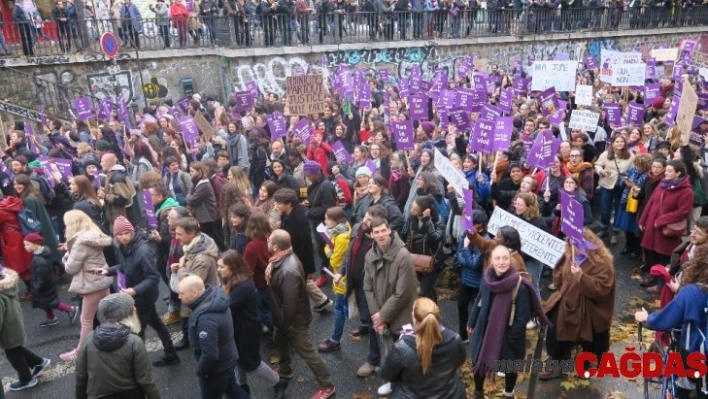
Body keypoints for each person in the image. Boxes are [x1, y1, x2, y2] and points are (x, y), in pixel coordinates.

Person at [96, 216, 180, 367]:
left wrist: (134, 290)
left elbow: (153, 277)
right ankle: (170, 353)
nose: (123, 237)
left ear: (132, 231)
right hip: (139, 295)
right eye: (120, 234)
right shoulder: (125, 248)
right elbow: (125, 267)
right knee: (156, 323)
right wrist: (107, 271)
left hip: (143, 297)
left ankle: (138, 367)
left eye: (126, 233)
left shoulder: (142, 250)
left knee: (137, 332)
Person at [468, 245, 550, 398]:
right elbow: (479, 300)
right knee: (478, 361)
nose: (501, 262)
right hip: (484, 331)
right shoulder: (487, 279)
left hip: (508, 335)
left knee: (510, 367)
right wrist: (472, 322)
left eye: (505, 258)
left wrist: (510, 337)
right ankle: (478, 391)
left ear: (510, 260)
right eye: (497, 258)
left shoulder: (521, 286)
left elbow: (522, 317)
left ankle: (508, 393)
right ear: (491, 261)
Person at [266, 229, 336, 399]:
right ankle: (285, 369)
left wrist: (287, 326)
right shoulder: (282, 259)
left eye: (269, 241)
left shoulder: (287, 270)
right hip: (282, 319)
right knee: (279, 340)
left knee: (308, 353)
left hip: (292, 322)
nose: (266, 243)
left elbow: (290, 304)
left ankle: (327, 385)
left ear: (275, 247)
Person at [635, 243, 708, 399]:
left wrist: (646, 318)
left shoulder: (692, 293)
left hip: (696, 359)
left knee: (684, 386)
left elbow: (666, 318)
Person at [541, 229, 616, 380]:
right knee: (556, 333)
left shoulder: (603, 264)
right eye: (571, 243)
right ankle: (557, 366)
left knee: (589, 341)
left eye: (577, 245)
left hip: (589, 310)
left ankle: (585, 367)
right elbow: (560, 275)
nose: (573, 248)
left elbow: (601, 288)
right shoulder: (570, 256)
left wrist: (582, 277)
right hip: (568, 304)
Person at [364, 217, 419, 396]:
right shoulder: (370, 254)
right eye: (376, 232)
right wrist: (376, 315)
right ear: (371, 234)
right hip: (381, 314)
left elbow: (402, 293)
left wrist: (382, 316)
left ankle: (410, 385)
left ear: (389, 230)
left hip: (403, 315)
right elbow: (368, 287)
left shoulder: (403, 255)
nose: (380, 235)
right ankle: (392, 382)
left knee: (407, 351)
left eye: (383, 230)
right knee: (388, 350)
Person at [75, 293, 161, 399]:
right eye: (132, 306)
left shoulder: (89, 338)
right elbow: (145, 380)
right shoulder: (134, 342)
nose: (135, 308)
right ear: (126, 313)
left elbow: (81, 375)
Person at [217, 250, 279, 394]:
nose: (218, 270)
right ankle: (242, 387)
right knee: (237, 359)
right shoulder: (233, 280)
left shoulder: (243, 286)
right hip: (239, 329)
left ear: (232, 267)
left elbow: (226, 306)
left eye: (221, 267)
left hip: (246, 331)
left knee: (252, 363)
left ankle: (277, 382)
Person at [379, 297, 467, 398]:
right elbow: (460, 361)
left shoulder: (402, 348)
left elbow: (386, 374)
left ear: (415, 320)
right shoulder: (455, 340)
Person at [178, 275, 248, 399]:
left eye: (182, 293)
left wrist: (201, 371)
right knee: (233, 390)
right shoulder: (214, 295)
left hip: (216, 370)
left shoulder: (206, 319)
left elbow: (209, 355)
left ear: (195, 293)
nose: (179, 296)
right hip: (226, 359)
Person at [61, 210, 114, 362]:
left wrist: (65, 259)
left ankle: (80, 351)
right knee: (111, 314)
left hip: (91, 284)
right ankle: (123, 338)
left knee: (86, 320)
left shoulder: (79, 242)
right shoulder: (92, 235)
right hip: (102, 280)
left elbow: (71, 268)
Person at [273, 188, 332, 312]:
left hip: (299, 257)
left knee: (301, 281)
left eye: (279, 203)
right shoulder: (286, 213)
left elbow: (307, 245)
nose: (276, 205)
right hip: (293, 254)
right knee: (303, 281)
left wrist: (310, 269)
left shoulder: (300, 219)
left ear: (288, 204)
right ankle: (322, 300)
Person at [169, 217, 220, 351]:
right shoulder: (195, 245)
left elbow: (191, 283)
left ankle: (191, 341)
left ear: (191, 234)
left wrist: (180, 268)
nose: (177, 238)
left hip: (200, 300)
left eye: (180, 234)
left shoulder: (202, 258)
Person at [0, 267, 51, 391]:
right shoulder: (8, 286)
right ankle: (38, 362)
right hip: (14, 325)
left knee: (13, 356)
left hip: (7, 330)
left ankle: (26, 379)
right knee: (17, 348)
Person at [638, 159, 694, 271]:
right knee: (652, 251)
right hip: (652, 224)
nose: (666, 173)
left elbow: (682, 212)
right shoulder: (662, 184)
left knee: (664, 255)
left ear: (678, 173)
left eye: (669, 171)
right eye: (666, 170)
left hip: (666, 228)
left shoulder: (686, 191)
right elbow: (651, 201)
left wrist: (661, 220)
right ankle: (652, 276)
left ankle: (661, 282)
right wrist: (642, 219)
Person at [24, 232, 78, 327]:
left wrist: (36, 287)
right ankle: (51, 318)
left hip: (44, 287)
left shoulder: (38, 260)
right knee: (45, 303)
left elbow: (42, 276)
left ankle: (70, 309)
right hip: (46, 285)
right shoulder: (39, 255)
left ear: (36, 244)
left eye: (27, 244)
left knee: (52, 302)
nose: (25, 247)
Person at [318, 207, 352, 352]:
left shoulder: (340, 238)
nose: (325, 221)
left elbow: (334, 261)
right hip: (342, 277)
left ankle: (335, 340)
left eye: (327, 219)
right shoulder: (344, 228)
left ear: (336, 221)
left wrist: (327, 247)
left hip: (341, 278)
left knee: (339, 309)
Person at [402, 195, 445, 303]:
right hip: (416, 258)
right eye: (412, 208)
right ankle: (434, 311)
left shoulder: (437, 220)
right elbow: (408, 237)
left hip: (433, 260)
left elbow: (436, 237)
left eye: (415, 210)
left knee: (424, 291)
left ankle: (429, 313)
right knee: (428, 289)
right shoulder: (411, 219)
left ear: (425, 211)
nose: (411, 211)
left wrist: (427, 221)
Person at [455, 210, 489, 343]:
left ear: (480, 225)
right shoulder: (466, 234)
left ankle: (479, 338)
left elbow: (474, 264)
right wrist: (465, 254)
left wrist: (465, 249)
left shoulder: (485, 240)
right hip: (465, 279)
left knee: (479, 312)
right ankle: (463, 335)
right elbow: (457, 254)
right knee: (462, 306)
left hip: (478, 282)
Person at [594, 135, 634, 241]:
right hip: (607, 184)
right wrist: (601, 171)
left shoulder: (630, 156)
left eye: (622, 141)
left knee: (619, 209)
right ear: (612, 143)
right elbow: (597, 165)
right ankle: (603, 228)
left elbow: (633, 169)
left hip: (622, 186)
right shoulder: (606, 154)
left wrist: (628, 177)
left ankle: (616, 231)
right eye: (617, 141)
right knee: (605, 208)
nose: (620, 143)